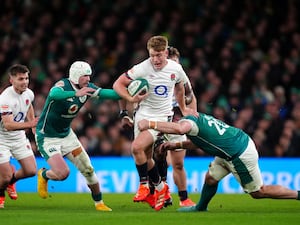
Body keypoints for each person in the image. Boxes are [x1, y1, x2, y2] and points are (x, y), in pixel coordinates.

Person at [138, 112, 300, 212]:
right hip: (234, 145)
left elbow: (180, 129)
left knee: (258, 192)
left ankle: (297, 195)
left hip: (239, 154)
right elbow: (199, 141)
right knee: (210, 178)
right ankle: (200, 208)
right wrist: (175, 145)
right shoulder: (198, 119)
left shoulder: (186, 123)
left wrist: (151, 124)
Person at [35, 61, 139, 212]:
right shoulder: (63, 85)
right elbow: (53, 94)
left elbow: (110, 94)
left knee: (88, 169)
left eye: (89, 76)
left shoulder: (88, 88)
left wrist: (128, 91)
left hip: (67, 135)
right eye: (85, 76)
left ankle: (99, 203)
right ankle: (44, 174)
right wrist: (75, 93)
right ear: (76, 76)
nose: (89, 79)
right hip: (47, 137)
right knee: (63, 173)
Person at [113, 36, 196, 211]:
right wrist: (130, 98)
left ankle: (145, 185)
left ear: (165, 52)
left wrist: (183, 108)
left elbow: (181, 87)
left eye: (159, 55)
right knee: (145, 156)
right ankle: (161, 188)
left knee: (136, 148)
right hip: (141, 116)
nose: (156, 59)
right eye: (152, 55)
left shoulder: (176, 68)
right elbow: (118, 85)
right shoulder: (142, 68)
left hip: (160, 118)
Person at [153, 46, 196, 207]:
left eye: (176, 62)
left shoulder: (181, 78)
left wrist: (193, 122)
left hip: (177, 124)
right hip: (158, 122)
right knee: (158, 157)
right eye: (171, 61)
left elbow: (192, 98)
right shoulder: (155, 77)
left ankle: (184, 198)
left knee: (178, 163)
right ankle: (162, 193)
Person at [0, 64, 38, 208]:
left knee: (31, 171)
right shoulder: (4, 99)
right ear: (11, 80)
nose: (25, 82)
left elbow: (29, 106)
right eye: (21, 79)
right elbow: (8, 125)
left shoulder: (29, 93)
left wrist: (32, 123)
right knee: (4, 177)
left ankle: (11, 183)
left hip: (18, 138)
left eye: (27, 78)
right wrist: (30, 124)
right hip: (2, 140)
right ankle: (1, 194)